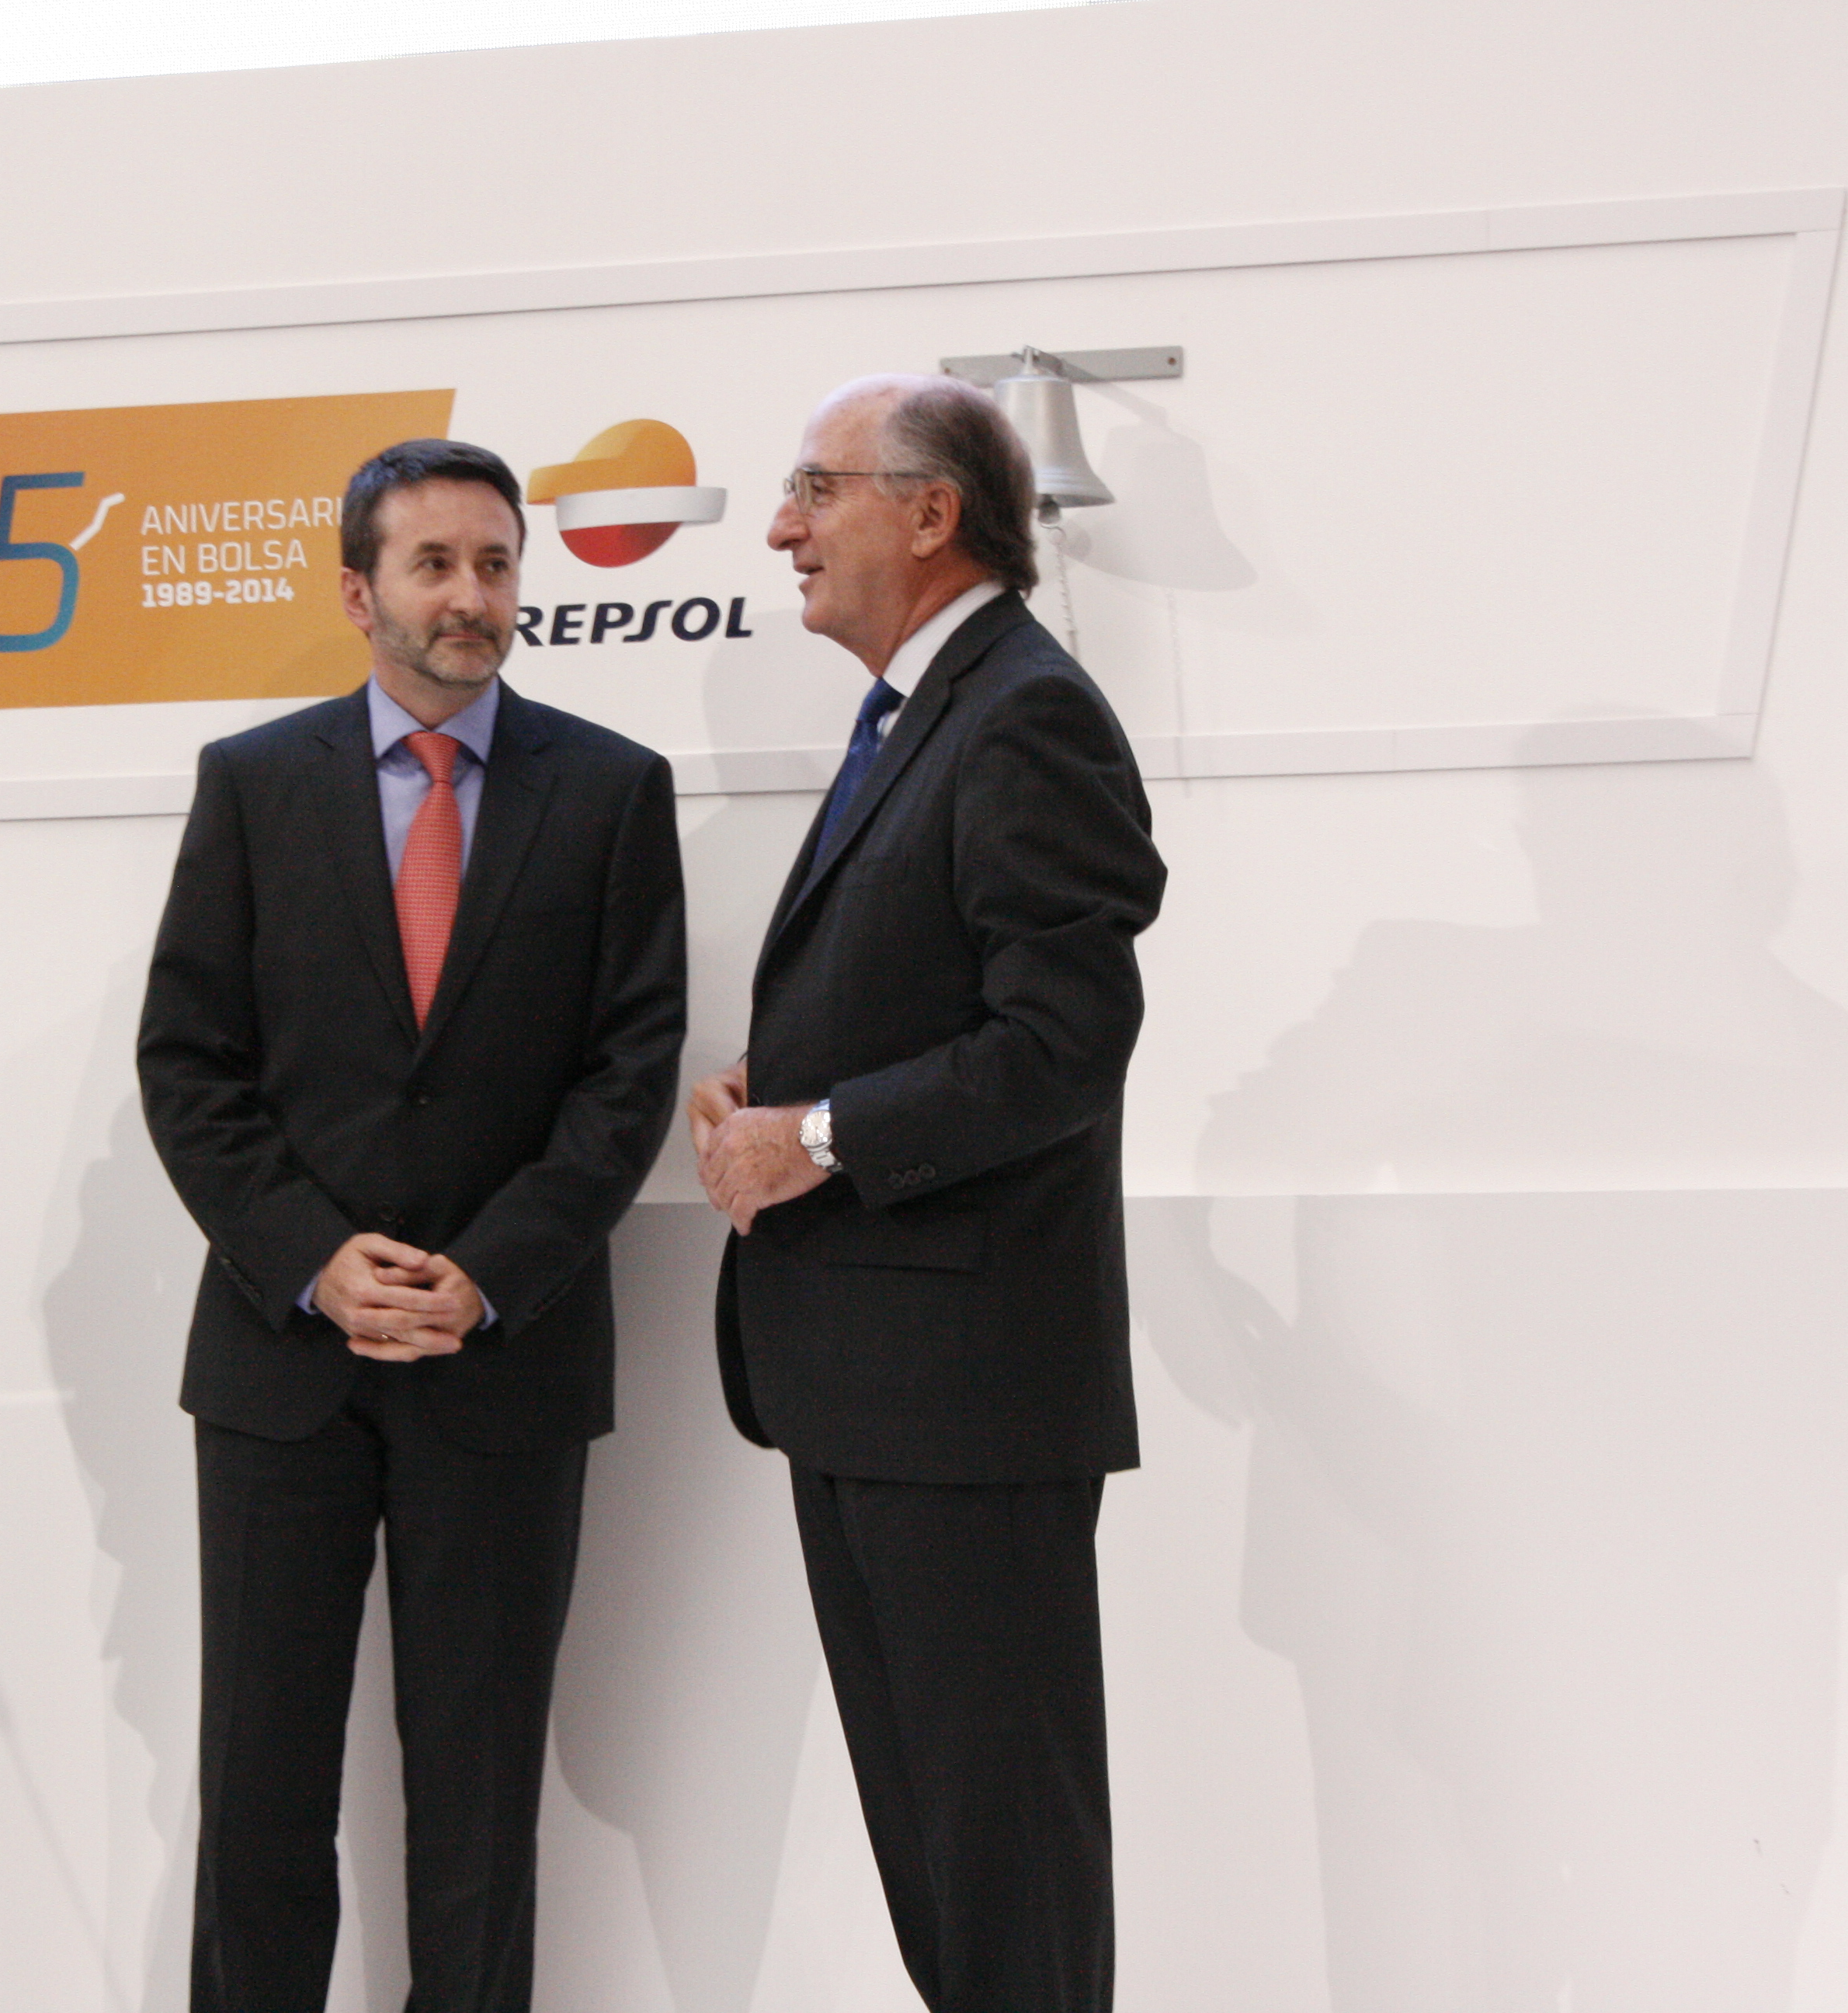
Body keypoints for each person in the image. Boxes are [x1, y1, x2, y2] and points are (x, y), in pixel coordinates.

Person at [137, 438, 686, 2013]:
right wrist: (311, 1258)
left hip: (502, 1365)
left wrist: (488, 1275)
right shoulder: (254, 786)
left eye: (496, 564)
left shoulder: (611, 792)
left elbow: (628, 1076)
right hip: (282, 1369)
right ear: (356, 590)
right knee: (259, 1791)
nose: (471, 595)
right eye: (434, 563)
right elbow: (189, 1062)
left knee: (478, 1802)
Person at [689, 374, 1165, 2011]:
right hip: (870, 1390)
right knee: (947, 1868)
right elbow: (938, 993)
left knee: (1002, 1865)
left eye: (816, 489)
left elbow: (1063, 1040)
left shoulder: (1023, 710)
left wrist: (819, 1138)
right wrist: (778, 1090)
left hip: (964, 1403)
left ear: (932, 512)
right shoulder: (925, 710)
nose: (781, 527)